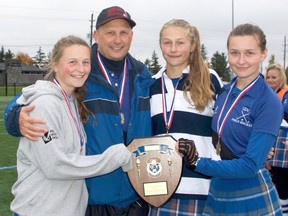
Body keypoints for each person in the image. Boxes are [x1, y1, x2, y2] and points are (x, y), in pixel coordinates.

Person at [5, 6, 152, 216]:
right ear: (96, 35)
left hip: (133, 197)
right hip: (92, 199)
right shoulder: (76, 73)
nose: (117, 39)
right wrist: (15, 116)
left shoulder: (144, 78)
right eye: (110, 32)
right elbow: (33, 97)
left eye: (124, 33)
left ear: (131, 36)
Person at [178, 23, 283, 215]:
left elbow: (249, 166)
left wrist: (198, 163)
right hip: (219, 188)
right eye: (234, 53)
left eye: (249, 53)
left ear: (263, 53)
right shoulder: (224, 91)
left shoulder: (268, 101)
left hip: (250, 192)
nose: (241, 60)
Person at [149, 19, 223, 215]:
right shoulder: (150, 84)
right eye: (167, 42)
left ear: (192, 45)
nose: (173, 49)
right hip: (160, 187)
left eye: (180, 42)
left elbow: (228, 127)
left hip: (201, 186)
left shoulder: (210, 78)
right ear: (160, 45)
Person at [265, 63, 288, 215]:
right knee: (274, 182)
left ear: (281, 78)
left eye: (274, 77)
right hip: (269, 142)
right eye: (268, 77)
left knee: (282, 182)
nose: (270, 80)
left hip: (283, 145)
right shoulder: (264, 95)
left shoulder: (285, 95)